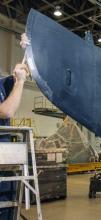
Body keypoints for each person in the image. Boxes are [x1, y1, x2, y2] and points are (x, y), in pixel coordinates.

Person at [0, 34, 30, 219]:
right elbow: (6, 112)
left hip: (5, 158)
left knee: (9, 204)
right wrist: (20, 82)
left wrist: (28, 50)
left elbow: (23, 71)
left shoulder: (2, 84)